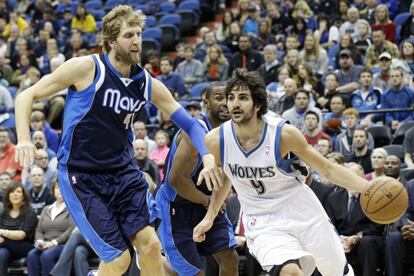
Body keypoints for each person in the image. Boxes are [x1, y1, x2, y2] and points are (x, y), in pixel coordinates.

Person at [14, 5, 222, 276]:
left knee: (150, 245)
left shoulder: (145, 82)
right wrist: (24, 139)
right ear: (111, 40)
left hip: (123, 173)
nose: (136, 40)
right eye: (128, 35)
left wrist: (207, 157)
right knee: (119, 259)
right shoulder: (86, 68)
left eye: (138, 33)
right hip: (82, 176)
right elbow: (25, 96)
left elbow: (191, 125)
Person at [193, 69, 376, 276]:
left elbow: (328, 168)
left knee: (336, 273)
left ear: (258, 104)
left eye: (243, 98)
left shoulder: (283, 134)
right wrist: (209, 217)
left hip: (302, 211)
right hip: (262, 221)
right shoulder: (216, 140)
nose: (234, 103)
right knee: (290, 273)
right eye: (231, 97)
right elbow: (225, 177)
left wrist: (370, 188)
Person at [156, 83, 239, 275]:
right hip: (176, 208)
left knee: (230, 257)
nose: (226, 103)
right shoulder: (194, 130)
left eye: (229, 98)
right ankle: (157, 262)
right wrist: (207, 201)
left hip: (207, 205)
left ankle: (160, 262)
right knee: (194, 273)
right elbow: (176, 180)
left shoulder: (232, 132)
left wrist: (212, 205)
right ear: (206, 102)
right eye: (219, 98)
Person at [27, 180, 75, 276]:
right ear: (53, 191)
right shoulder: (47, 209)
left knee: (47, 255)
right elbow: (39, 229)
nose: (60, 190)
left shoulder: (72, 208)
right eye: (57, 188)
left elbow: (71, 229)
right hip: (45, 245)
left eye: (63, 188)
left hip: (63, 245)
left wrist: (53, 243)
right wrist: (40, 242)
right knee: (31, 255)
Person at [0, 182, 38, 275]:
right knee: (1, 255)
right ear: (8, 195)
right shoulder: (4, 212)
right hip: (6, 248)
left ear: (24, 196)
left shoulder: (30, 212)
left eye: (18, 192)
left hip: (25, 246)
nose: (15, 194)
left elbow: (22, 234)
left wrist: (2, 232)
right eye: (12, 192)